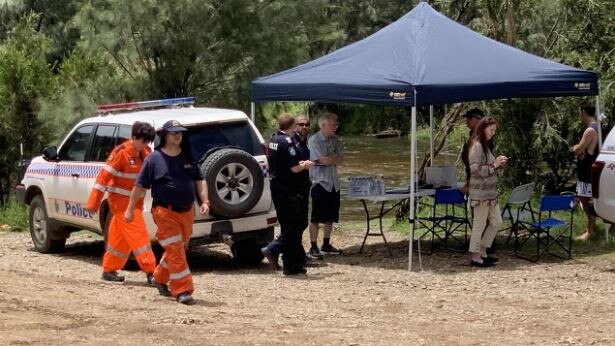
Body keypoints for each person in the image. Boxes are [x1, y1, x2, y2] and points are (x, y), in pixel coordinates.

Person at [125, 120, 209, 305]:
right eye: (173, 132)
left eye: (180, 132)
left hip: (187, 212)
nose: (177, 135)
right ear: (164, 136)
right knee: (176, 250)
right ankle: (182, 290)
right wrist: (130, 209)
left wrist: (205, 200)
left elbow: (200, 179)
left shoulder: (188, 156)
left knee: (178, 249)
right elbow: (139, 186)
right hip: (164, 212)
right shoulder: (154, 159)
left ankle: (159, 277)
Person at [85, 121, 157, 283]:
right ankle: (152, 272)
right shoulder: (121, 153)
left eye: (148, 141)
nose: (145, 144)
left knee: (120, 240)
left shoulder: (145, 152)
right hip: (122, 205)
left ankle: (109, 270)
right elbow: (102, 178)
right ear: (133, 137)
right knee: (140, 239)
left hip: (135, 203)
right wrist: (93, 203)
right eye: (143, 141)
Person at [262, 114, 314, 275]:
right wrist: (306, 165)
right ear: (292, 126)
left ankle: (292, 263)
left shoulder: (273, 140)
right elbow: (294, 167)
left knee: (288, 224)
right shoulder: (287, 142)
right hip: (288, 189)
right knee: (294, 226)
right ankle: (276, 250)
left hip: (277, 186)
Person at [467, 116, 507, 267]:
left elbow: (489, 167)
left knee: (496, 222)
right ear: (483, 128)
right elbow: (475, 170)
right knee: (479, 224)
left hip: (490, 193)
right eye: (491, 130)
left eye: (494, 130)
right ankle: (475, 256)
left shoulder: (485, 146)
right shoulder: (476, 146)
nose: (493, 133)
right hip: (480, 194)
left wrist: (498, 163)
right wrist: (495, 165)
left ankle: (483, 251)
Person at [307, 112, 344, 259]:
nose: (335, 127)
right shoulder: (314, 140)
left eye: (336, 125)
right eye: (333, 125)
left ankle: (326, 244)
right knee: (316, 217)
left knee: (331, 217)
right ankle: (313, 246)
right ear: (323, 125)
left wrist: (329, 159)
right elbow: (325, 160)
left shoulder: (335, 139)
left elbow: (341, 159)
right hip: (320, 183)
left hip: (334, 183)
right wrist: (330, 158)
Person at [572, 102, 599, 241]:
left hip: (587, 170)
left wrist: (575, 148)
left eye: (579, 111)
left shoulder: (590, 130)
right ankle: (591, 226)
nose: (579, 114)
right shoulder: (595, 127)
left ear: (583, 111)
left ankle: (591, 230)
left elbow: (578, 150)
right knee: (583, 197)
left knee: (587, 198)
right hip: (587, 168)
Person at [460, 108, 484, 195]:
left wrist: (470, 184)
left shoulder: (481, 136)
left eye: (468, 119)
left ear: (475, 119)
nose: (466, 122)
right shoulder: (475, 134)